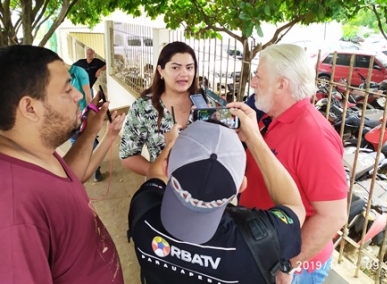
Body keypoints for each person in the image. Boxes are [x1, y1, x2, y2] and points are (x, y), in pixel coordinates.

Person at [0, 45, 125, 283]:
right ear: (30, 108)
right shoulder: (11, 214)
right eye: (67, 89)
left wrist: (96, 131)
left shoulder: (33, 148)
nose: (78, 96)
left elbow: (69, 179)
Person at [129, 117, 306, 284]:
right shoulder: (257, 241)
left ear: (167, 168)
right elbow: (294, 207)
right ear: (241, 186)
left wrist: (171, 145)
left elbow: (154, 175)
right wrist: (254, 139)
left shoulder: (144, 209)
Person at [232, 43, 348, 284]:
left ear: (281, 85)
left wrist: (287, 265)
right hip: (262, 249)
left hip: (292, 267)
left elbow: (334, 216)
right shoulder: (271, 119)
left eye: (258, 76)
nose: (253, 83)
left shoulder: (313, 135)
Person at [119, 41, 200, 176]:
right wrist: (157, 172)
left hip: (202, 189)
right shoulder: (143, 106)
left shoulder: (205, 101)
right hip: (163, 189)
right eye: (175, 68)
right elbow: (128, 155)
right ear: (160, 70)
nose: (184, 73)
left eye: (189, 67)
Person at [66, 63, 102, 182]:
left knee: (89, 140)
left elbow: (87, 94)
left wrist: (90, 114)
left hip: (82, 113)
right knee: (76, 142)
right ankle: (83, 167)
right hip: (70, 114)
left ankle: (95, 169)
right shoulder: (63, 76)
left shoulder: (80, 72)